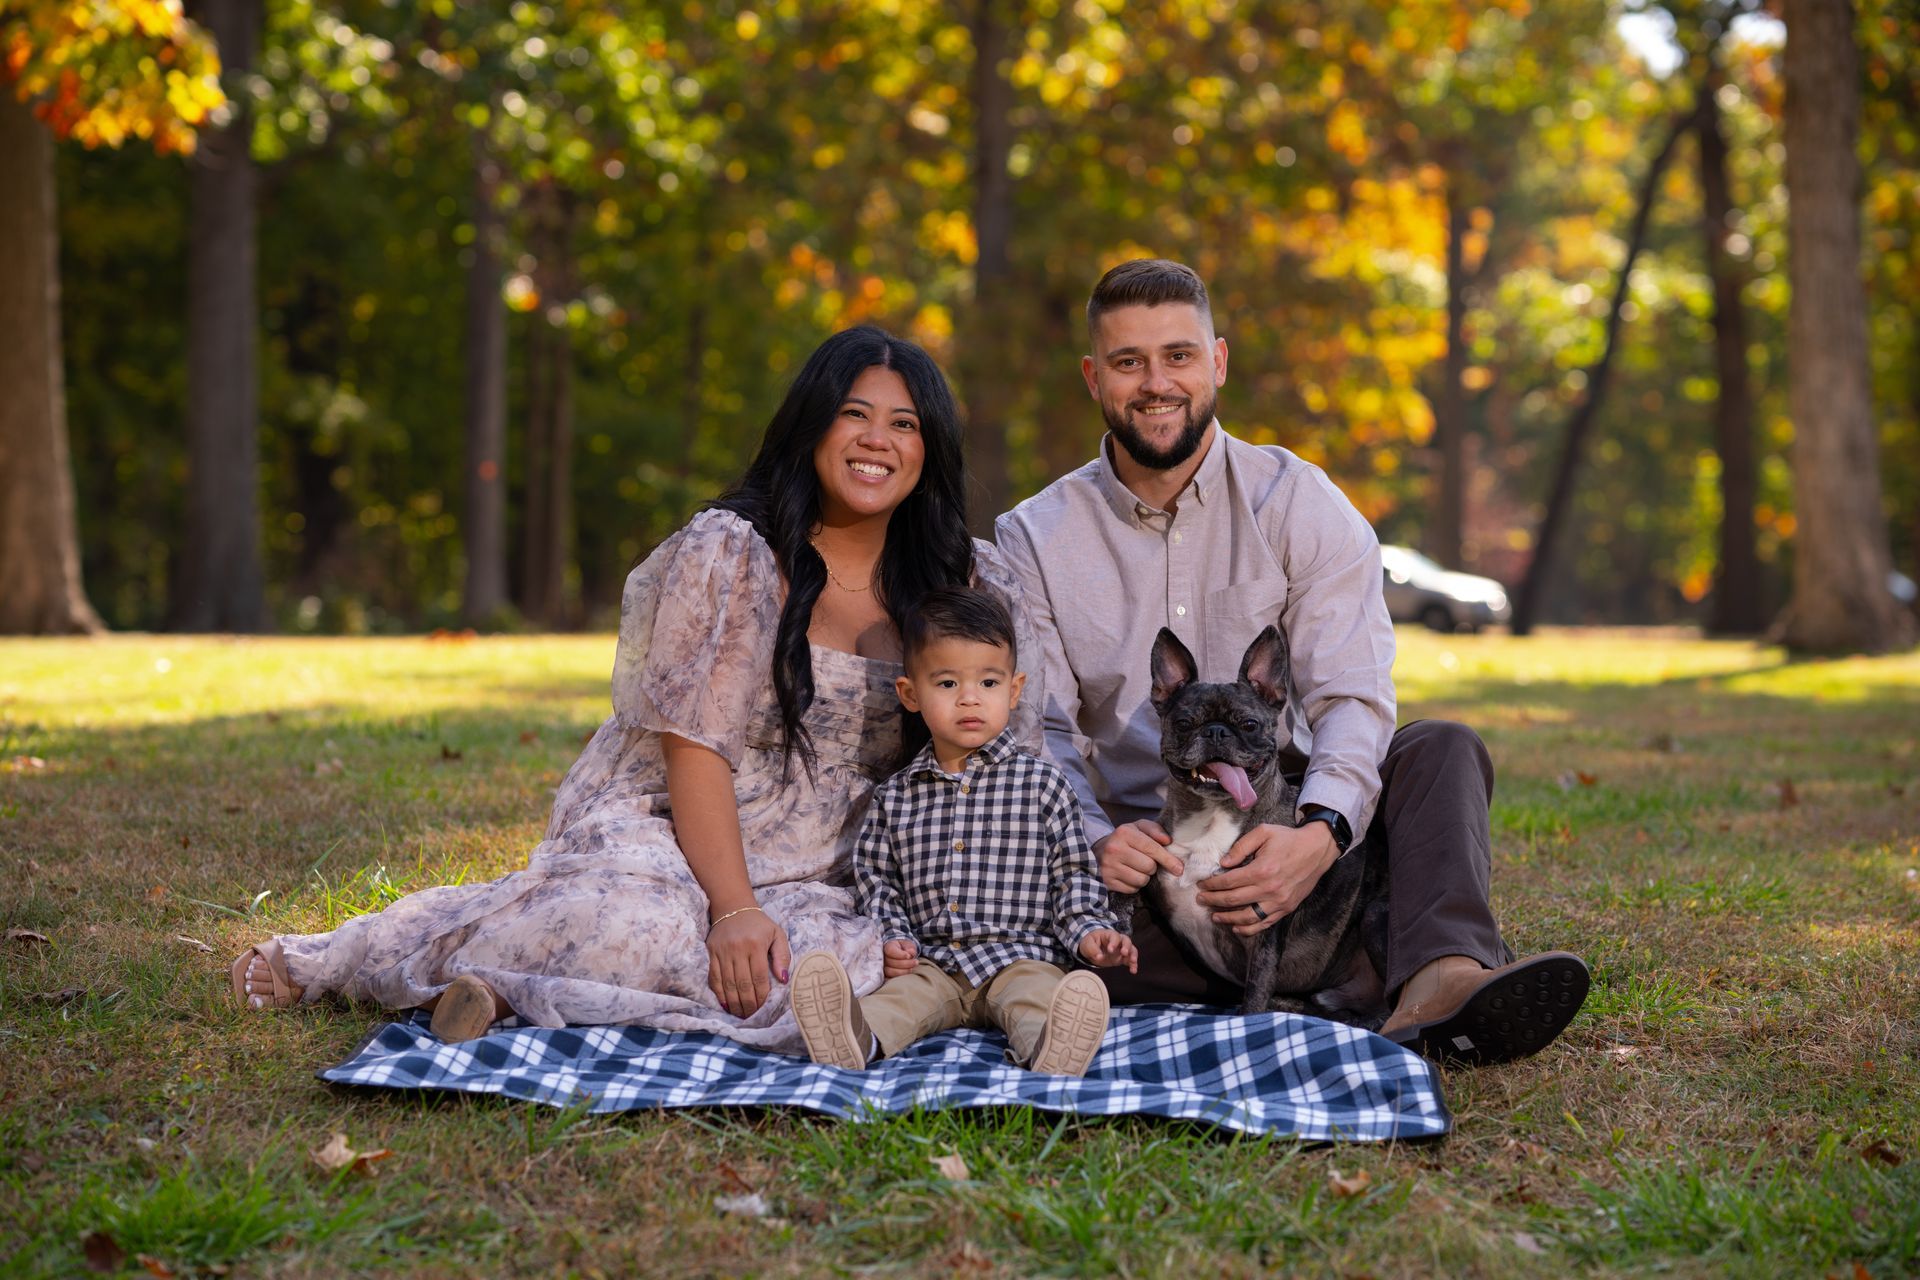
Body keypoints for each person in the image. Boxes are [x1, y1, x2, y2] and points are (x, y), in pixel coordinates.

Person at [231, 325, 1049, 1052]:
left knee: (823, 978)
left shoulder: (960, 579)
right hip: (681, 829)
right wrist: (730, 909)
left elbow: (1001, 744)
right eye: (855, 414)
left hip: (837, 870)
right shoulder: (732, 555)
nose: (878, 440)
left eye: (904, 424)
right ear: (811, 428)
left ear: (930, 447)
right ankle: (340, 960)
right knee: (631, 930)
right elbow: (692, 748)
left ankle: (502, 997)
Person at [994, 259, 1590, 1066]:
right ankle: (1343, 987)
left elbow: (1352, 696)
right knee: (1057, 927)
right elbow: (1041, 732)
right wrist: (1095, 838)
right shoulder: (1034, 537)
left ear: (1219, 362)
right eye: (1129, 362)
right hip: (1140, 860)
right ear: (1094, 377)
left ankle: (1444, 975)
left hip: (1294, 827)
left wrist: (1321, 832)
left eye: (1179, 355)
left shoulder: (1298, 500)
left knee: (1439, 748)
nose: (1155, 382)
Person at [789, 587, 1138, 1077]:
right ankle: (854, 1037)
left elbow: (1072, 877)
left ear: (1014, 691)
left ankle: (1052, 1049)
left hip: (1022, 956)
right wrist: (893, 938)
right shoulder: (897, 797)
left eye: (989, 683)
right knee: (899, 1002)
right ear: (911, 694)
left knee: (1039, 1000)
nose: (970, 698)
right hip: (934, 964)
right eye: (948, 683)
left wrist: (1091, 934)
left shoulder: (1043, 784)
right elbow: (878, 881)